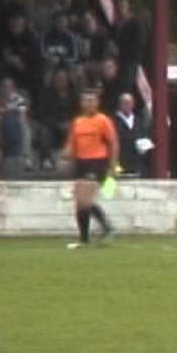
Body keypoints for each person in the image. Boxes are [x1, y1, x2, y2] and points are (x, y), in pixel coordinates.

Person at [62, 89, 118, 249]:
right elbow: (71, 143)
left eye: (92, 100)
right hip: (81, 162)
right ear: (81, 103)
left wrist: (113, 165)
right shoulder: (78, 122)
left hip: (97, 161)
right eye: (86, 101)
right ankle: (84, 238)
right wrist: (66, 153)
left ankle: (107, 228)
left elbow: (113, 143)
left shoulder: (103, 120)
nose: (89, 104)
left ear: (97, 102)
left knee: (85, 200)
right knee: (80, 202)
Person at [33, 68, 76, 171]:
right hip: (52, 127)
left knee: (78, 129)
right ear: (54, 80)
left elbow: (78, 113)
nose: (61, 81)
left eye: (63, 78)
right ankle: (46, 160)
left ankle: (77, 161)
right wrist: (57, 124)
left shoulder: (73, 94)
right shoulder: (46, 94)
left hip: (69, 126)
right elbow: (41, 115)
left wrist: (70, 123)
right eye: (58, 78)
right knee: (44, 131)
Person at [0, 14, 43, 93]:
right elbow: (2, 57)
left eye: (19, 25)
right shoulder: (5, 39)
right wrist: (9, 59)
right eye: (13, 25)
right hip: (9, 71)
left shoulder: (31, 39)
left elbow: (35, 60)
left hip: (29, 71)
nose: (16, 27)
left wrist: (20, 63)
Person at [113, 93, 150, 178]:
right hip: (118, 161)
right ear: (119, 104)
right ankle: (106, 192)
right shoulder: (113, 121)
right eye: (124, 103)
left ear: (133, 104)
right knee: (113, 185)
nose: (127, 105)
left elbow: (143, 136)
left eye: (129, 103)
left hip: (136, 161)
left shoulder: (138, 120)